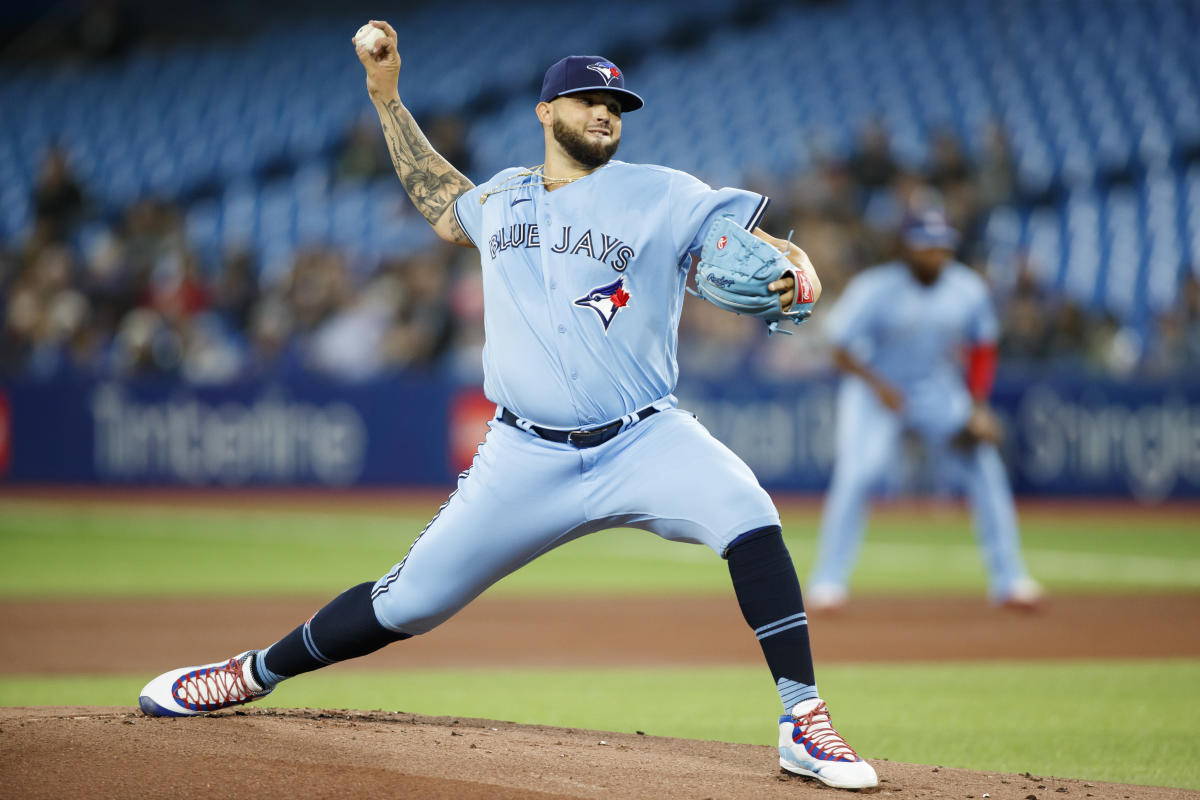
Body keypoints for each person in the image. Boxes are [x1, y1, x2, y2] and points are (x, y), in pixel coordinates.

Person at [137, 21, 877, 791]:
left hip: (643, 438)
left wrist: (793, 266)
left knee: (747, 510)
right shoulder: (504, 198)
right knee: (407, 603)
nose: (604, 113)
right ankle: (250, 672)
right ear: (545, 111)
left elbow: (741, 241)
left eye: (615, 104)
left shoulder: (665, 192)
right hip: (525, 456)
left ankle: (803, 718)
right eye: (588, 99)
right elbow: (439, 200)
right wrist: (387, 100)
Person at [806, 209, 1043, 612]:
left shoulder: (966, 288)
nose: (935, 254)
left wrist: (978, 406)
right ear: (906, 248)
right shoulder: (875, 288)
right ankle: (828, 582)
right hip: (875, 391)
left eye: (941, 246)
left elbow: (983, 347)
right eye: (926, 246)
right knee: (858, 474)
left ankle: (1010, 580)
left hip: (936, 391)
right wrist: (880, 388)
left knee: (984, 465)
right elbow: (837, 347)